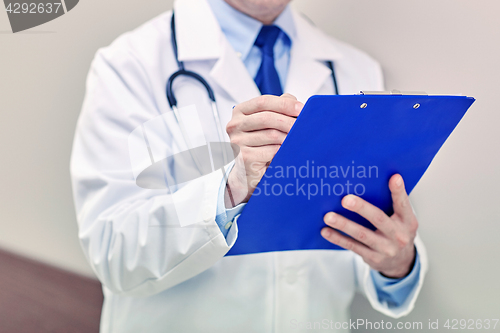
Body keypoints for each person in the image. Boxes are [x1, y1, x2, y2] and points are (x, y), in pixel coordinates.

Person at [70, 0, 428, 331]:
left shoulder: (354, 70)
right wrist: (230, 188)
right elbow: (112, 251)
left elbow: (356, 229)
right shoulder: (130, 64)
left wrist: (396, 266)